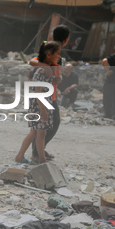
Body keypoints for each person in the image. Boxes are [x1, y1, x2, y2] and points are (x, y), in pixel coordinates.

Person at [28, 24, 70, 163]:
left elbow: (57, 72)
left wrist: (59, 78)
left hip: (51, 93)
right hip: (44, 94)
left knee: (47, 126)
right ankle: (36, 153)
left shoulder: (59, 52)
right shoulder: (50, 48)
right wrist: (45, 66)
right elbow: (33, 61)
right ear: (67, 39)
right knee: (50, 124)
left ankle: (40, 150)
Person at [15, 41, 61, 164]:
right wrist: (43, 110)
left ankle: (20, 156)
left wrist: (56, 79)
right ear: (49, 55)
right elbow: (38, 91)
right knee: (40, 133)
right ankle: (41, 160)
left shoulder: (46, 69)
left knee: (35, 132)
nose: (59, 57)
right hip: (39, 105)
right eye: (57, 54)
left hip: (39, 104)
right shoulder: (41, 71)